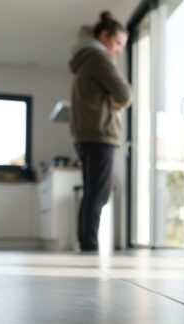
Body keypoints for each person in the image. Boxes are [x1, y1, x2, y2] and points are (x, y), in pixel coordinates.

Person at [69, 11, 131, 252]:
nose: (118, 50)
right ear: (104, 36)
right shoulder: (99, 58)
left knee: (92, 193)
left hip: (86, 136)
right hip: (100, 135)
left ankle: (87, 245)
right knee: (99, 195)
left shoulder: (85, 59)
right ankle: (90, 247)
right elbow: (124, 93)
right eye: (118, 43)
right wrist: (123, 99)